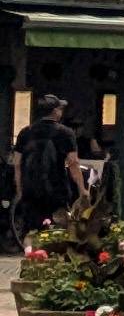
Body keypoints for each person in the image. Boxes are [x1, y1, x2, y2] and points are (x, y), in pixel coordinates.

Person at [13, 91, 77, 244]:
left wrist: (20, 189)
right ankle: (52, 255)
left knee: (31, 230)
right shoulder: (65, 133)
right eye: (60, 108)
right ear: (55, 111)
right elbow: (73, 163)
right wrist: (82, 189)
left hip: (30, 189)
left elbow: (17, 163)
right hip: (56, 189)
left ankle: (31, 255)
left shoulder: (25, 132)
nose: (61, 112)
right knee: (57, 228)